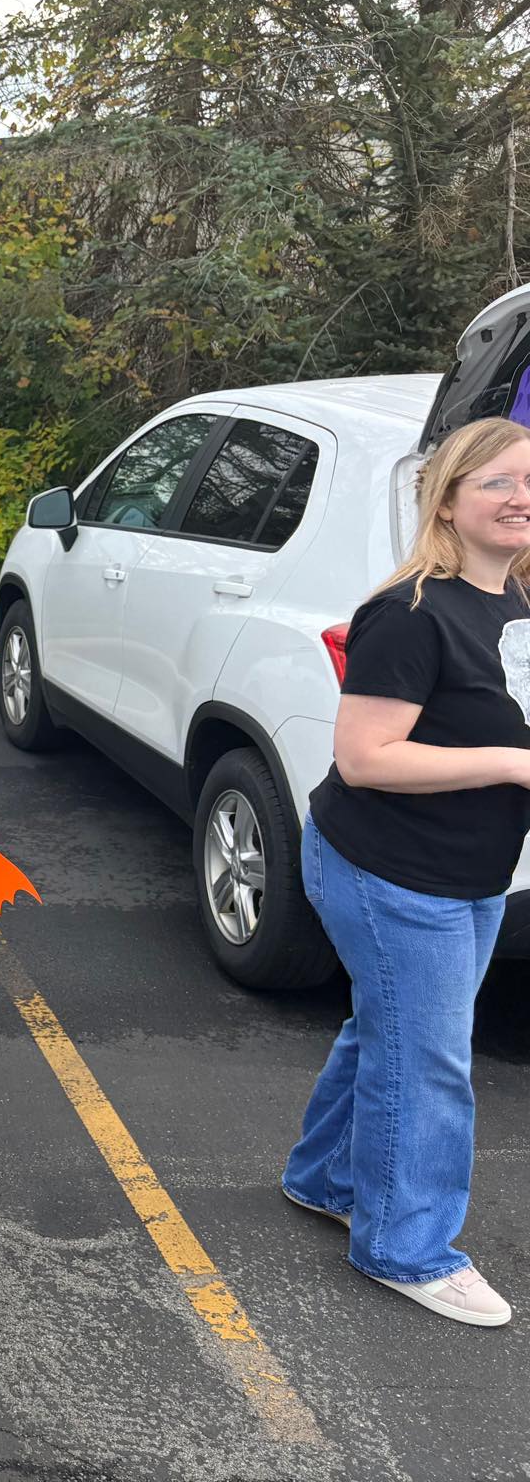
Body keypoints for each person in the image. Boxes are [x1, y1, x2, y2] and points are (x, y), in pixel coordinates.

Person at [282, 416, 530, 1328]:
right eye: (498, 482)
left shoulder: (514, 601)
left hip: (471, 870)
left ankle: (325, 1178)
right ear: (448, 501)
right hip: (390, 870)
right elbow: (365, 758)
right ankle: (406, 1248)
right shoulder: (412, 611)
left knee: (389, 1027)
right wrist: (515, 764)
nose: (520, 499)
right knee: (427, 1061)